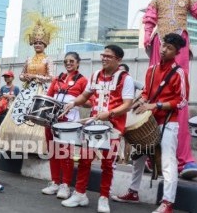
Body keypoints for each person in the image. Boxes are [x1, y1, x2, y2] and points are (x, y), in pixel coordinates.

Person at [112, 33, 189, 213]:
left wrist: (155, 105)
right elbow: (146, 92)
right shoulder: (152, 69)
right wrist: (141, 102)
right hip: (150, 120)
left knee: (168, 162)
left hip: (169, 122)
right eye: (163, 46)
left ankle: (168, 203)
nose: (163, 50)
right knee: (138, 157)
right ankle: (133, 192)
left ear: (176, 52)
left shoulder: (179, 73)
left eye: (169, 48)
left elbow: (183, 101)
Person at [142, 0, 197, 179]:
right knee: (154, 95)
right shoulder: (156, 0)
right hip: (159, 44)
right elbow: (148, 21)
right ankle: (149, 157)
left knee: (179, 99)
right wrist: (147, 38)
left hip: (181, 47)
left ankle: (185, 160)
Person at [62, 45, 135, 213]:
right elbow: (85, 96)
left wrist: (109, 114)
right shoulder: (95, 75)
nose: (104, 58)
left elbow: (127, 105)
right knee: (84, 160)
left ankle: (103, 197)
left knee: (108, 164)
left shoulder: (126, 79)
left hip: (113, 127)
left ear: (118, 59)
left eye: (108, 56)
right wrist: (73, 102)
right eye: (103, 55)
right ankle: (80, 193)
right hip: (93, 126)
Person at [0, 13, 57, 154]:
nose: (37, 45)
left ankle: (37, 147)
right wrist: (26, 77)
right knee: (17, 115)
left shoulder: (48, 59)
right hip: (28, 90)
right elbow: (22, 75)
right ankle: (14, 144)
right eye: (35, 43)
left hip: (41, 91)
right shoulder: (29, 59)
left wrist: (35, 76)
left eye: (40, 43)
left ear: (45, 44)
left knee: (38, 118)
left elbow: (51, 77)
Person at [41, 52, 88, 199]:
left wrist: (74, 102)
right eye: (66, 61)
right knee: (53, 151)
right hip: (52, 119)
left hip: (69, 120)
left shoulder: (83, 80)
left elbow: (90, 102)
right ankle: (55, 182)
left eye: (72, 61)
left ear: (78, 63)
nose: (68, 63)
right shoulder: (57, 78)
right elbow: (48, 97)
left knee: (65, 153)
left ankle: (65, 185)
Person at [0, 70, 20, 143]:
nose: (6, 78)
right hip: (1, 108)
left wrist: (11, 96)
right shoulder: (2, 88)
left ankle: (2, 138)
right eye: (5, 77)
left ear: (12, 78)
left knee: (3, 122)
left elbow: (18, 98)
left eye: (8, 77)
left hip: (9, 109)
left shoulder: (16, 88)